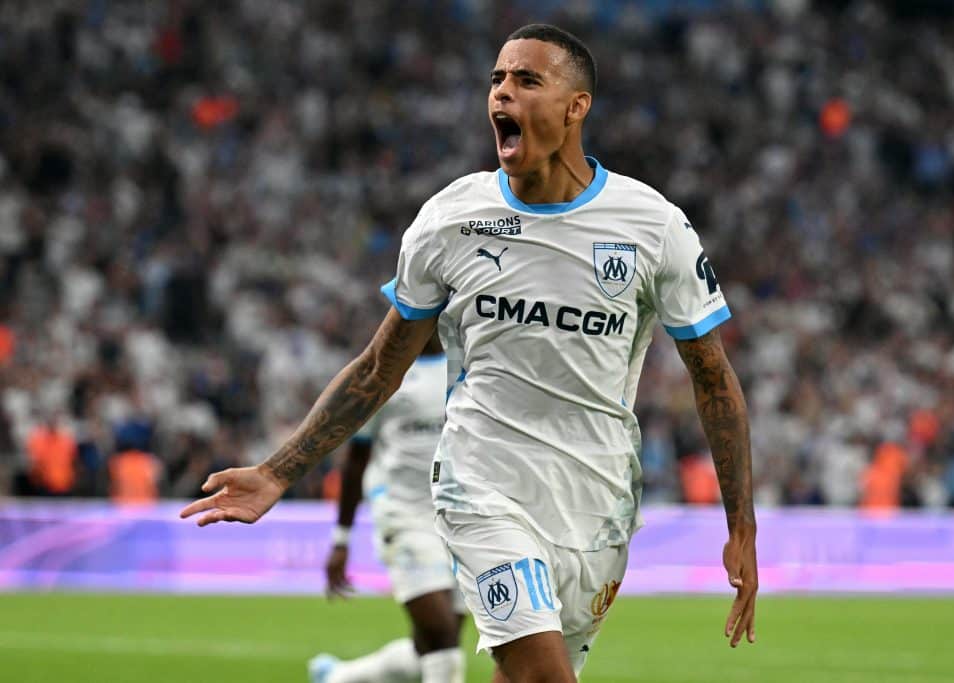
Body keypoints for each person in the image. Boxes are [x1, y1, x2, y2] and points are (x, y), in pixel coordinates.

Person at [182, 23, 758, 682]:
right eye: (497, 79)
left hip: (596, 501)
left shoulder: (652, 226)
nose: (501, 93)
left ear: (576, 107)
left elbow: (713, 379)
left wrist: (741, 525)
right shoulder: (450, 219)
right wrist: (279, 471)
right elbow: (379, 368)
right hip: (481, 486)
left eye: (526, 80)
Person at [309, 335, 468, 683]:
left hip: (459, 517)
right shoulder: (383, 375)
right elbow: (356, 461)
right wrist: (341, 539)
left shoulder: (467, 365)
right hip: (403, 514)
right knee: (442, 639)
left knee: (432, 646)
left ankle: (340, 677)